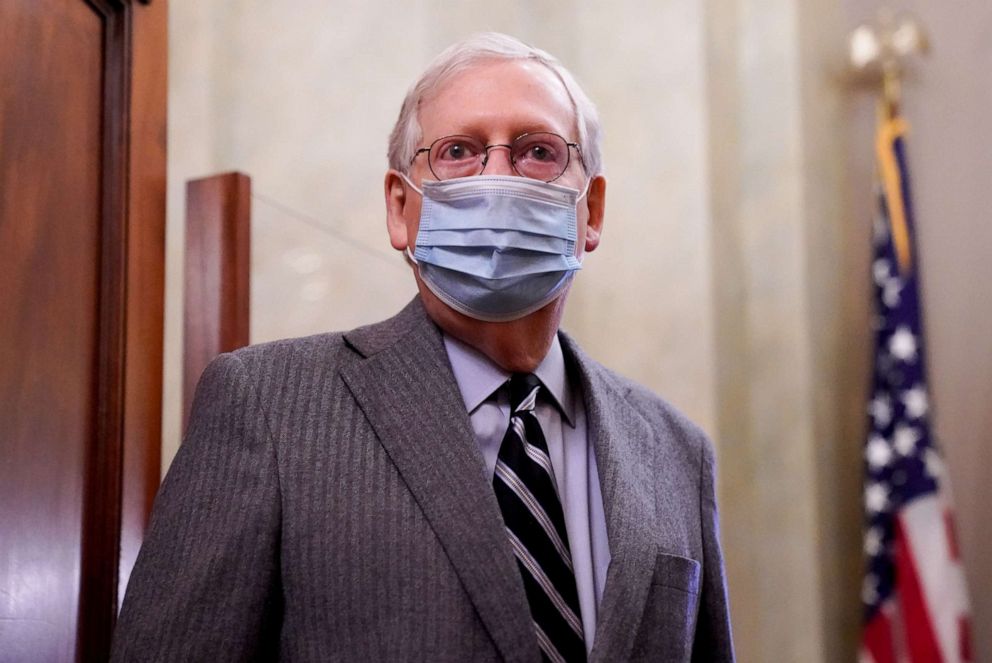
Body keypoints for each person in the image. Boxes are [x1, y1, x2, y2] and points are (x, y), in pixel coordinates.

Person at [112, 32, 734, 662]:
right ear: (400, 207)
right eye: (459, 151)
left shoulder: (678, 453)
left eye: (537, 151)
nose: (497, 179)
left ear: (591, 209)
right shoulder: (268, 407)